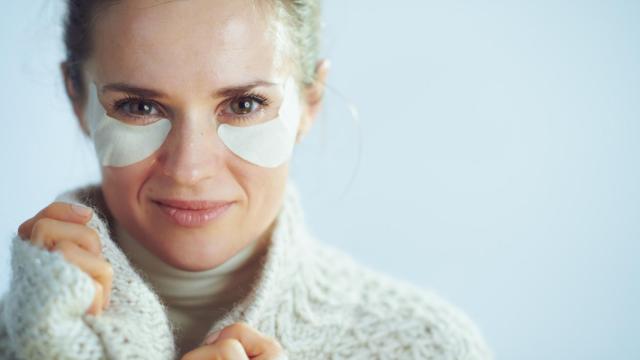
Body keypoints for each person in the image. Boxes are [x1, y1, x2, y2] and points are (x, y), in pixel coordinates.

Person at [0, 0, 493, 359]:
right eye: (139, 106)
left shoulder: (425, 346)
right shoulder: (21, 342)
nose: (190, 168)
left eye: (244, 105)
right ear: (76, 99)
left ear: (310, 104)